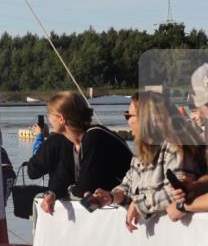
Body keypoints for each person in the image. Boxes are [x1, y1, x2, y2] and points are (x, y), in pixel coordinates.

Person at [88, 92, 206, 229]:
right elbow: (127, 186)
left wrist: (139, 204)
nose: (127, 120)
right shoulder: (141, 154)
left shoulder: (175, 147)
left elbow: (178, 192)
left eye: (129, 115)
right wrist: (111, 196)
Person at [37, 91, 131, 214]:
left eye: (50, 115)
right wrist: (52, 194)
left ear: (61, 118)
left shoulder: (94, 136)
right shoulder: (73, 141)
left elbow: (85, 187)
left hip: (127, 202)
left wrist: (71, 188)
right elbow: (63, 178)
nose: (48, 120)